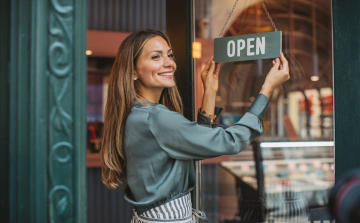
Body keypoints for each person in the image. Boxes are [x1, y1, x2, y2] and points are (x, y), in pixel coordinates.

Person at [100, 29, 289, 223]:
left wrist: (209, 92)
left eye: (170, 55)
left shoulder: (137, 113)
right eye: (156, 57)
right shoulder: (156, 118)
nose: (169, 63)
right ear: (132, 71)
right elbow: (230, 142)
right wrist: (267, 88)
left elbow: (200, 142)